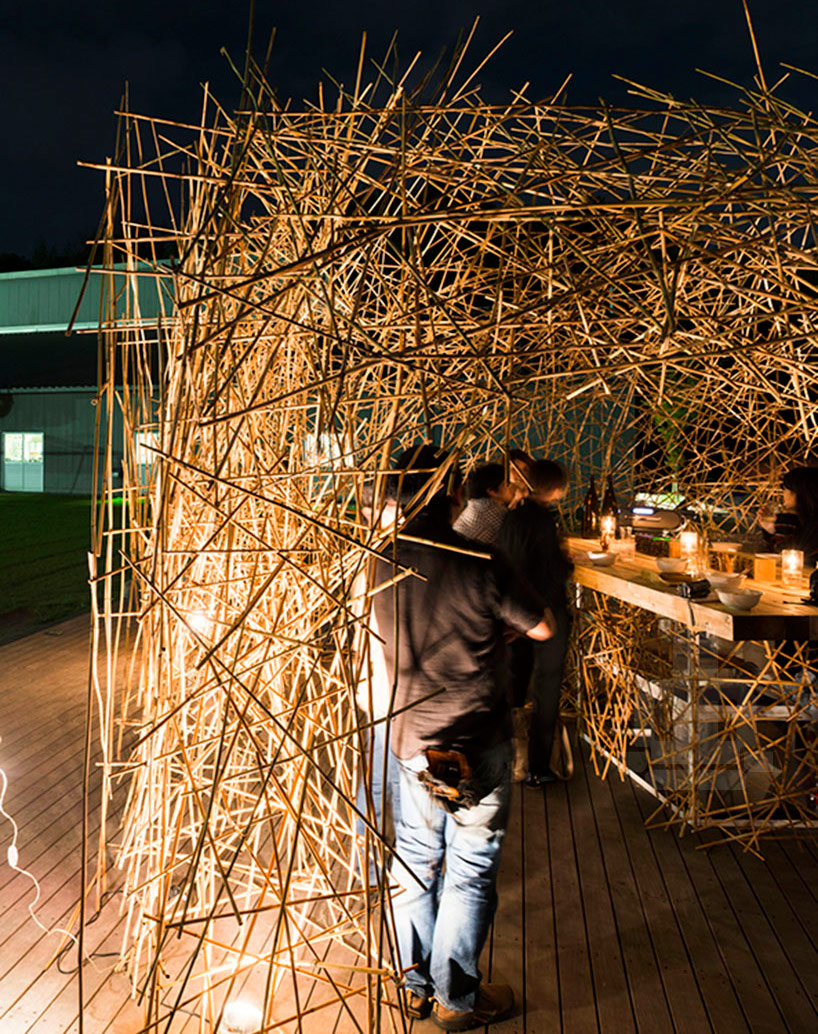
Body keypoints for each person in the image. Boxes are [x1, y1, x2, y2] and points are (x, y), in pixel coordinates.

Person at [372, 444, 553, 1031]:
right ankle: (457, 998)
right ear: (449, 495)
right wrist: (494, 635)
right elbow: (543, 626)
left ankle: (416, 985)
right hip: (476, 736)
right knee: (470, 869)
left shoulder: (378, 559)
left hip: (409, 737)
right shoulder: (480, 558)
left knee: (417, 866)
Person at [496, 457, 572, 787]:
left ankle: (507, 760)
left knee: (514, 685)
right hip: (546, 613)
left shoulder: (512, 517)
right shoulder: (543, 523)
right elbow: (551, 573)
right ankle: (539, 767)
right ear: (556, 490)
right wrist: (567, 560)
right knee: (547, 685)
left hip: (515, 613)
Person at [453, 462, 526, 544]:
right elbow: (516, 530)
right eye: (508, 484)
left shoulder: (477, 505)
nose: (513, 486)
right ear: (492, 491)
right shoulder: (489, 508)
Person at [758, 466, 818, 562]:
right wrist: (771, 530)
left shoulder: (792, 520)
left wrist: (783, 523)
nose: (783, 494)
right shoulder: (808, 522)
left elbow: (783, 557)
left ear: (797, 492)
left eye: (785, 489)